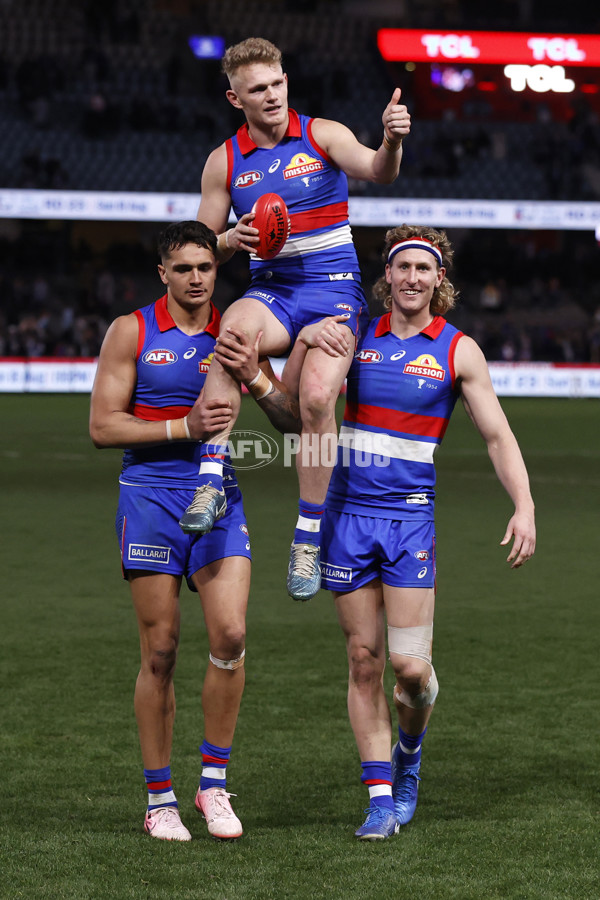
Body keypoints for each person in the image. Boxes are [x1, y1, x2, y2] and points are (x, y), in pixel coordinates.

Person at [296, 224, 536, 840]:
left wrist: (524, 505)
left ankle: (410, 753)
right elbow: (306, 408)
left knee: (408, 667)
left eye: (422, 269)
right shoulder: (355, 337)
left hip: (408, 520)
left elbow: (497, 436)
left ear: (439, 279)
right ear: (387, 277)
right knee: (363, 659)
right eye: (401, 267)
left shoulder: (458, 351)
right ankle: (380, 796)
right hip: (346, 516)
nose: (410, 279)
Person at [89, 221, 303, 842]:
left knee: (231, 634)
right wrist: (183, 428)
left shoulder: (238, 332)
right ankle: (160, 798)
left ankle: (213, 786)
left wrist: (259, 378)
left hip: (219, 497)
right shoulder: (131, 331)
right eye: (182, 268)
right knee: (159, 652)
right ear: (163, 272)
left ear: (218, 272)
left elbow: (296, 424)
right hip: (150, 496)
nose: (195, 279)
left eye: (204, 268)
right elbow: (104, 427)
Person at [178, 36, 411, 603]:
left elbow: (380, 172)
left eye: (278, 83)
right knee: (230, 331)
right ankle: (209, 481)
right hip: (275, 291)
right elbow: (202, 246)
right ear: (236, 99)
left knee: (312, 401)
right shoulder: (224, 162)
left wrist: (391, 141)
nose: (273, 95)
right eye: (259, 89)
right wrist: (232, 238)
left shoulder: (322, 134)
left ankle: (308, 535)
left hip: (334, 294)